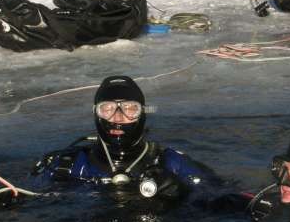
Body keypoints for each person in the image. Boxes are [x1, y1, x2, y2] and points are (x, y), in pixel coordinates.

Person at [31, 75, 218, 201]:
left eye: (130, 109)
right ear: (96, 114)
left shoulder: (170, 163)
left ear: (143, 114)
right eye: (108, 109)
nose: (118, 118)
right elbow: (29, 201)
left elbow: (218, 196)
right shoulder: (68, 165)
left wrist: (180, 192)